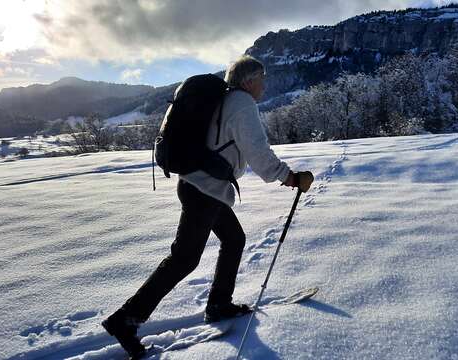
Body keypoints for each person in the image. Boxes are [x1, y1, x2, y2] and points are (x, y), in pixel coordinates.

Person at [101, 55, 314, 359]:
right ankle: (125, 320)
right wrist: (289, 177)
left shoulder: (226, 100)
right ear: (249, 80)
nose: (264, 85)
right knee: (184, 259)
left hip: (201, 187)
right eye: (262, 79)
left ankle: (218, 304)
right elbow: (258, 151)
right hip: (205, 190)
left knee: (233, 239)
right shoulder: (242, 103)